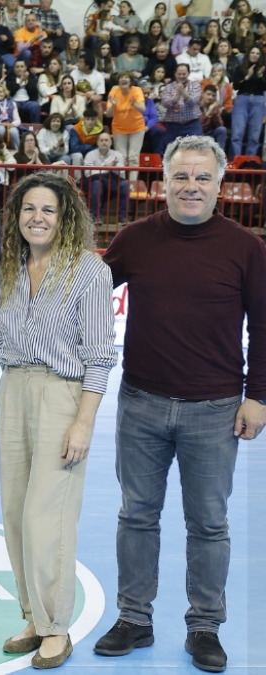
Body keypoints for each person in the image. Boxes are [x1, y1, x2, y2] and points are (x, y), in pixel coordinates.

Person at [95, 135, 266, 675]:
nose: (191, 186)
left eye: (202, 177)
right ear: (162, 182)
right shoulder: (134, 239)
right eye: (181, 177)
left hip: (215, 409)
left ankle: (205, 627)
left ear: (220, 184)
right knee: (136, 517)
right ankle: (134, 618)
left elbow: (263, 327)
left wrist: (258, 396)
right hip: (141, 403)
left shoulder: (246, 248)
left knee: (209, 524)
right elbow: (89, 293)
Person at [0, 171, 116, 671]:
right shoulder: (11, 268)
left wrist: (84, 423)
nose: (37, 218)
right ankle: (33, 617)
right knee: (14, 514)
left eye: (48, 210)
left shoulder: (89, 272)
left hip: (63, 397)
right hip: (12, 390)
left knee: (46, 517)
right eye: (28, 209)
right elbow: (8, 342)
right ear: (16, 217)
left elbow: (100, 356)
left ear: (66, 218)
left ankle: (58, 627)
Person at [106, 71, 147, 179]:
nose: (123, 79)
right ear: (118, 81)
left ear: (130, 81)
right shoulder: (114, 92)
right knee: (121, 157)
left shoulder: (137, 90)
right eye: (121, 78)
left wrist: (134, 105)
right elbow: (109, 114)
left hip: (136, 128)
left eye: (126, 77)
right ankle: (122, 182)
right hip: (119, 129)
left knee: (133, 157)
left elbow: (143, 109)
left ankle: (132, 184)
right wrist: (113, 105)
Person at [85, 131, 130, 222]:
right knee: (97, 183)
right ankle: (96, 217)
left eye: (106, 140)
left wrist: (101, 170)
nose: (104, 142)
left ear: (111, 142)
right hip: (97, 184)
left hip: (113, 183)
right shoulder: (90, 155)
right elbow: (88, 173)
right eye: (101, 140)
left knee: (125, 184)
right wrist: (108, 167)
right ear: (97, 142)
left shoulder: (117, 155)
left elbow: (121, 173)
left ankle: (123, 216)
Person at [231, 45, 265, 156]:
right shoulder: (240, 68)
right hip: (242, 100)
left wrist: (260, 76)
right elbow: (236, 86)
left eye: (257, 53)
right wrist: (247, 76)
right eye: (252, 53)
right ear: (248, 54)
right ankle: (236, 163)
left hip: (258, 101)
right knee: (237, 134)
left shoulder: (263, 70)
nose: (254, 55)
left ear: (260, 56)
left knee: (254, 136)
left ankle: (250, 163)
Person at [159, 64, 203, 148]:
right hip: (173, 126)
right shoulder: (168, 87)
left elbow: (194, 101)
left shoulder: (195, 85)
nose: (181, 76)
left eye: (184, 74)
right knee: (172, 152)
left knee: (195, 150)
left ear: (188, 73)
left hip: (192, 124)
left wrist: (182, 92)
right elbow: (165, 103)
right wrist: (176, 97)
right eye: (179, 74)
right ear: (175, 74)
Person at [200, 84, 229, 149]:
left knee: (222, 130)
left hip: (209, 132)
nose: (210, 97)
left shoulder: (213, 106)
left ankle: (220, 155)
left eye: (213, 95)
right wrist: (208, 112)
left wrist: (215, 112)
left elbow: (220, 124)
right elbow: (198, 124)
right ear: (203, 94)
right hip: (197, 132)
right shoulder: (197, 105)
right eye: (208, 94)